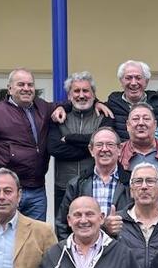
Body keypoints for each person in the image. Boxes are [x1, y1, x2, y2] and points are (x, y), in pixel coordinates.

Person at [0, 67, 52, 220]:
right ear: (10, 88)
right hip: (7, 191)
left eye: (30, 85)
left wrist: (96, 103)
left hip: (37, 190)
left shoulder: (43, 108)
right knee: (5, 235)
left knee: (35, 239)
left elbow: (67, 105)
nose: (26, 89)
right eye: (21, 84)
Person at [46, 71, 116, 214]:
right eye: (76, 91)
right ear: (69, 95)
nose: (81, 95)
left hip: (94, 186)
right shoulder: (58, 117)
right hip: (63, 187)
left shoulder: (105, 116)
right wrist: (90, 148)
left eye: (86, 90)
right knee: (63, 231)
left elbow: (103, 144)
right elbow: (55, 149)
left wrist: (70, 139)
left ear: (94, 94)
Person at [53, 127, 129, 241]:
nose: (104, 149)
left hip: (122, 251)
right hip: (85, 252)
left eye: (110, 144)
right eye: (99, 145)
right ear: (91, 150)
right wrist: (72, 252)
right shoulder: (77, 185)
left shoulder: (132, 183)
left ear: (119, 149)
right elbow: (62, 224)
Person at [106, 60, 158, 135]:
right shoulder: (111, 105)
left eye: (138, 78)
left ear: (146, 81)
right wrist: (97, 102)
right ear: (121, 81)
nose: (133, 83)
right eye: (128, 78)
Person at [117, 101, 158, 173]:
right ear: (128, 125)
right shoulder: (117, 152)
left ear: (155, 125)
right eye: (135, 119)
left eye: (146, 119)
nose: (141, 123)